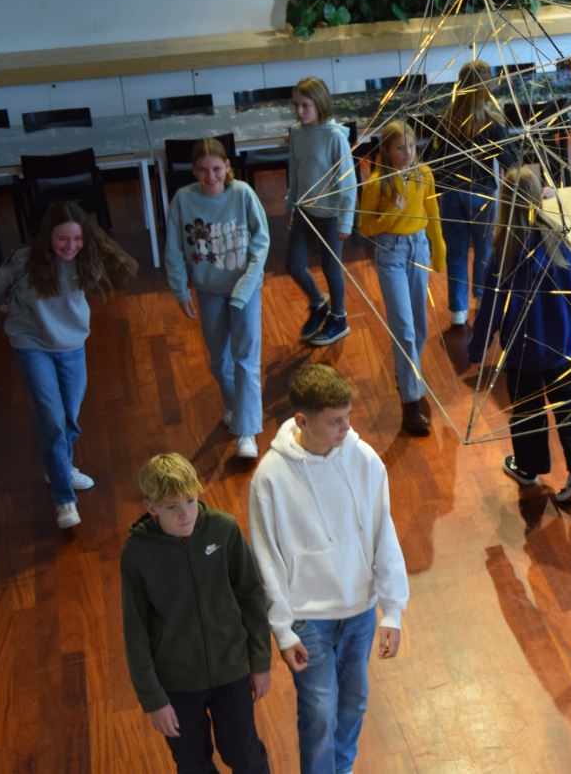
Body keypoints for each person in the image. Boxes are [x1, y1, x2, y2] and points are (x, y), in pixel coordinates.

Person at [248, 363, 408, 774]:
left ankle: (342, 769)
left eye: (347, 418)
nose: (345, 429)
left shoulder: (365, 461)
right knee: (319, 711)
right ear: (302, 421)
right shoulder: (269, 478)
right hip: (308, 620)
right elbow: (266, 559)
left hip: (359, 612)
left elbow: (383, 533)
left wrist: (392, 609)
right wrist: (281, 630)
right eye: (334, 422)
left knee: (354, 702)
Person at [0, 201, 138, 529]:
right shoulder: (23, 260)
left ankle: (58, 466)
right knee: (51, 418)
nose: (70, 246)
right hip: (31, 346)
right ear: (47, 236)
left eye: (76, 239)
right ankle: (64, 500)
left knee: (69, 416)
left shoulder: (87, 260)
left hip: (72, 347)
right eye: (62, 239)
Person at [120, 453, 272, 774]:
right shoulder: (137, 554)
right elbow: (135, 631)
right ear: (151, 507)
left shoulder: (223, 530)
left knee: (245, 755)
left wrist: (259, 662)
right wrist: (153, 699)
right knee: (192, 764)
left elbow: (251, 597)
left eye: (190, 500)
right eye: (172, 506)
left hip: (232, 670)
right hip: (176, 683)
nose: (186, 514)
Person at [468, 166, 571, 501]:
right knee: (570, 408)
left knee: (527, 412)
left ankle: (528, 467)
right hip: (563, 350)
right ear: (542, 197)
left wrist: (476, 349)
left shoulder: (502, 255)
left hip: (522, 355)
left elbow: (490, 311)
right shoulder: (558, 241)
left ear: (503, 204)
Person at [165, 137, 270, 460]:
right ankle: (234, 406)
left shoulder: (243, 194)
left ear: (227, 167)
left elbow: (261, 242)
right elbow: (175, 249)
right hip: (209, 290)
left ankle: (247, 431)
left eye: (216, 169)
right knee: (219, 359)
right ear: (194, 171)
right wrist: (181, 290)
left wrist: (245, 287)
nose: (211, 177)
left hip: (245, 290)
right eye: (202, 170)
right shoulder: (183, 200)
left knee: (246, 359)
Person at [357, 120, 446, 436]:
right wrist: (391, 214)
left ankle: (406, 371)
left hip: (418, 248)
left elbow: (432, 213)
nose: (407, 152)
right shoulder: (376, 183)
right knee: (404, 328)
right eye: (399, 147)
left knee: (419, 324)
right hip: (390, 253)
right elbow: (365, 228)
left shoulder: (424, 174)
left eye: (411, 145)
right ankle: (411, 400)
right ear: (386, 151)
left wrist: (439, 249)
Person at [433, 59, 516, 327]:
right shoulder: (492, 121)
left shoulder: (446, 118)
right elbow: (508, 162)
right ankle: (481, 300)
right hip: (482, 195)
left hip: (451, 195)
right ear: (487, 87)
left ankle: (458, 311)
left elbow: (435, 160)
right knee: (483, 252)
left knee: (455, 253)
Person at [285, 76, 356, 347]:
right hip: (304, 210)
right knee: (293, 264)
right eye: (296, 106)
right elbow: (295, 171)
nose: (299, 112)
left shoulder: (335, 137)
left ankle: (339, 319)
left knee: (331, 268)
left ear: (320, 104)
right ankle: (318, 302)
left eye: (305, 105)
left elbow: (348, 184)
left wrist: (345, 222)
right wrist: (290, 203)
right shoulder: (297, 132)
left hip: (330, 215)